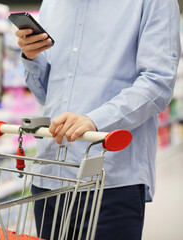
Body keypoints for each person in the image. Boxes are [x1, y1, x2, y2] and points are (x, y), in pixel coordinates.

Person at [15, 0, 181, 239]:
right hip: (49, 176)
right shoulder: (52, 3)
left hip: (109, 180)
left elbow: (157, 84)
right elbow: (45, 93)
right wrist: (32, 58)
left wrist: (95, 120)